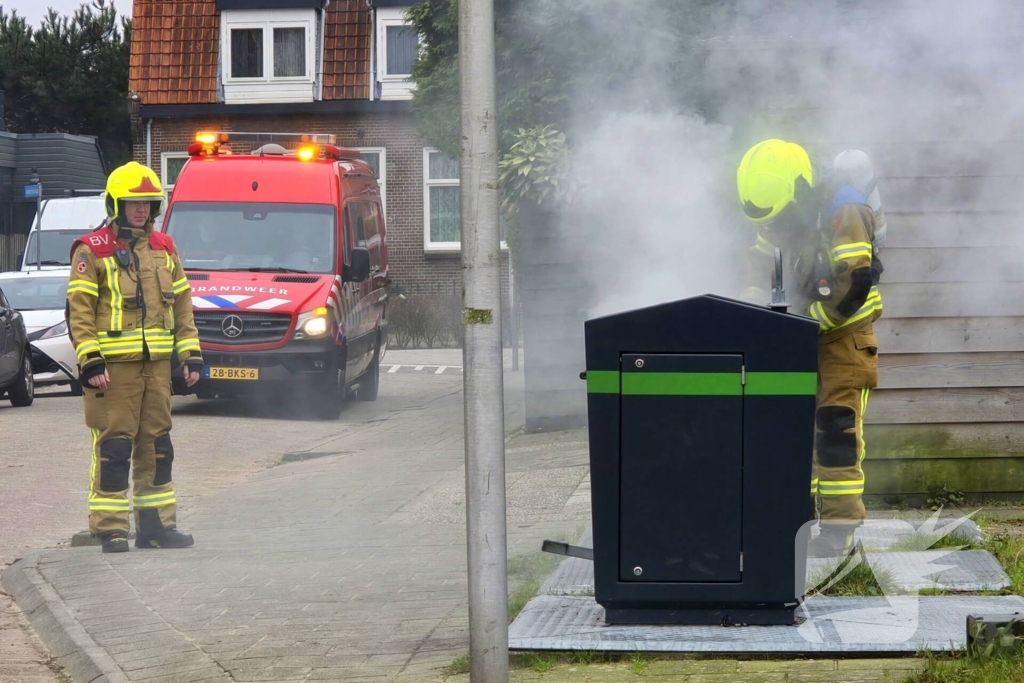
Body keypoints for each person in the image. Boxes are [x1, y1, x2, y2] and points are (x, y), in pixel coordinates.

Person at [736, 139, 884, 558]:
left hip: (843, 340)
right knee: (792, 430)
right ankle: (794, 521)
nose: (777, 223)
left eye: (781, 214)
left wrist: (804, 321)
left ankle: (840, 533)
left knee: (835, 432)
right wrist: (749, 307)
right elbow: (759, 261)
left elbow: (854, 285)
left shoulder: (844, 211)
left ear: (799, 189)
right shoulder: (786, 212)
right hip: (799, 337)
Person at [66, 161, 204, 553]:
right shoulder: (90, 250)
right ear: (116, 203)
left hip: (157, 370)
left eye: (147, 202)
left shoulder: (165, 248)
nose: (141, 209)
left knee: (158, 447)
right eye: (133, 202)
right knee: (113, 449)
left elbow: (182, 307)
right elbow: (79, 311)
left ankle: (156, 528)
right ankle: (110, 528)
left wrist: (190, 355)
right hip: (112, 373)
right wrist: (90, 361)